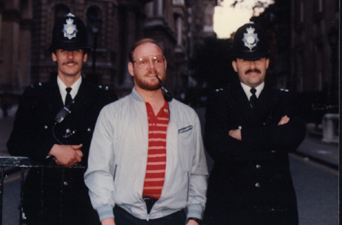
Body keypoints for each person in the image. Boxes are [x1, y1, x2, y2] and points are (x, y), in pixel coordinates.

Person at [7, 13, 117, 225]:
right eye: (63, 50)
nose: (70, 56)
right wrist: (52, 149)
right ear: (54, 55)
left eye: (76, 50)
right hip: (42, 204)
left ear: (85, 56)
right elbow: (16, 142)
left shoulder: (103, 97)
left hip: (87, 205)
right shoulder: (35, 95)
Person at [84, 38, 208, 225]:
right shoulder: (111, 114)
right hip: (124, 217)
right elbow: (99, 171)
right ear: (131, 68)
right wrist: (107, 218)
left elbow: (197, 172)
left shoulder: (188, 116)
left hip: (173, 217)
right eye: (143, 62)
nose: (152, 67)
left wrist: (194, 218)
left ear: (165, 64)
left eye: (157, 60)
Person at [203, 22, 306, 225]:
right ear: (235, 65)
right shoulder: (219, 100)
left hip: (274, 210)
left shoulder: (284, 99)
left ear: (267, 62)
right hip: (229, 209)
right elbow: (219, 149)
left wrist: (244, 135)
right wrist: (272, 140)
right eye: (245, 60)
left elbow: (294, 136)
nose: (252, 66)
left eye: (258, 59)